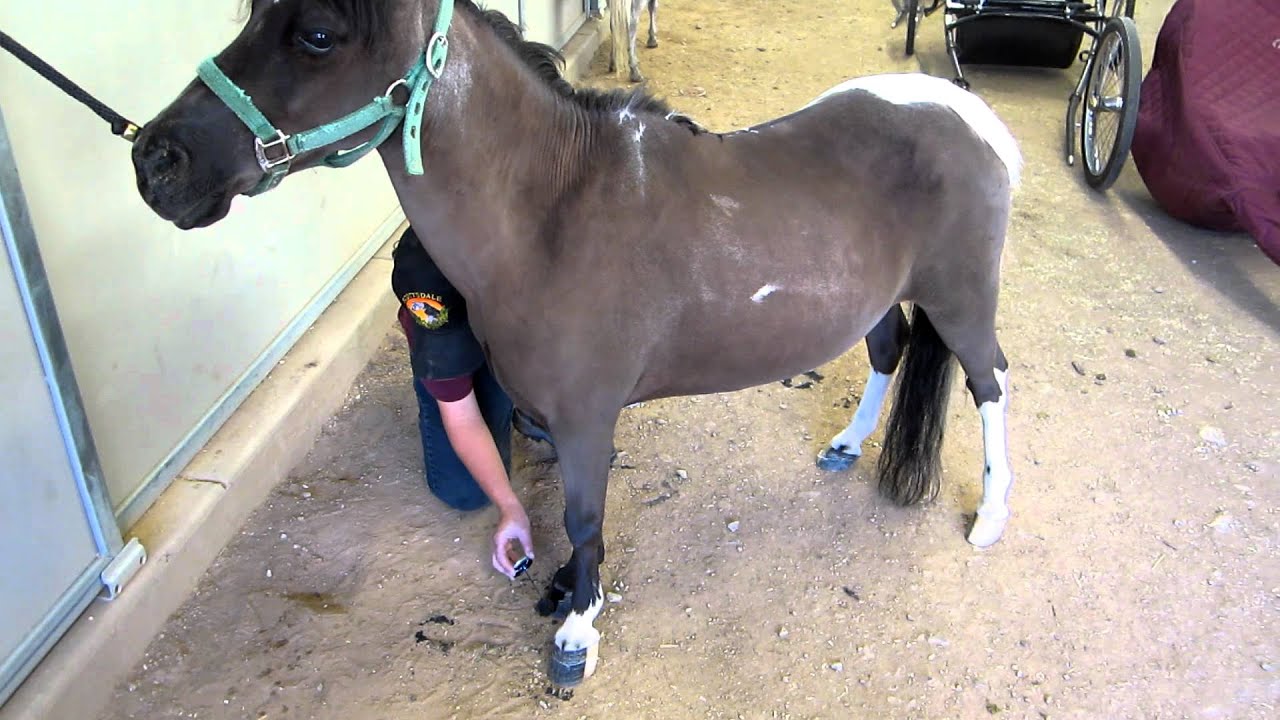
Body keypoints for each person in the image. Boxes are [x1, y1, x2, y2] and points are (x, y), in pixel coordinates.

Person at [391, 227, 551, 579]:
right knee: (465, 492)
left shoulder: (534, 270)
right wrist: (511, 508)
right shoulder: (432, 302)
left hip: (513, 329)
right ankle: (449, 382)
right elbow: (463, 420)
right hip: (464, 341)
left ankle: (522, 401)